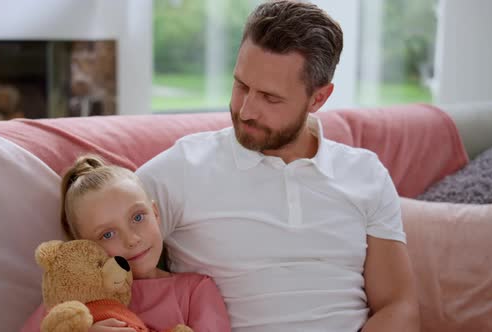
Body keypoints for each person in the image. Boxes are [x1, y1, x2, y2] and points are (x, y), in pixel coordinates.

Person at [136, 1, 420, 331]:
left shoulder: (365, 175)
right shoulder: (183, 168)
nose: (245, 110)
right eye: (241, 85)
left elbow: (398, 305)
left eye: (270, 98)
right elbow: (91, 251)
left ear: (319, 98)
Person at [20, 155, 231, 332]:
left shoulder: (195, 291)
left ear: (155, 213)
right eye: (108, 234)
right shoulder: (69, 299)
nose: (131, 239)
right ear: (85, 247)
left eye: (138, 217)